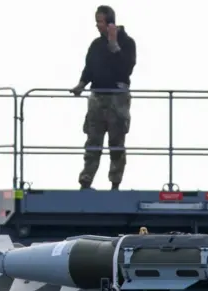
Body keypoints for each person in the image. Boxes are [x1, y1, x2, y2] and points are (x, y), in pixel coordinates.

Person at [71, 5, 137, 190]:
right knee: (93, 140)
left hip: (117, 97)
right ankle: (86, 181)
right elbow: (89, 68)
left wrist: (114, 45)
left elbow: (127, 67)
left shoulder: (127, 42)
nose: (97, 26)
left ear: (110, 23)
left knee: (116, 142)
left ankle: (115, 183)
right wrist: (81, 84)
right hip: (97, 97)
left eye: (99, 21)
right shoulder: (96, 45)